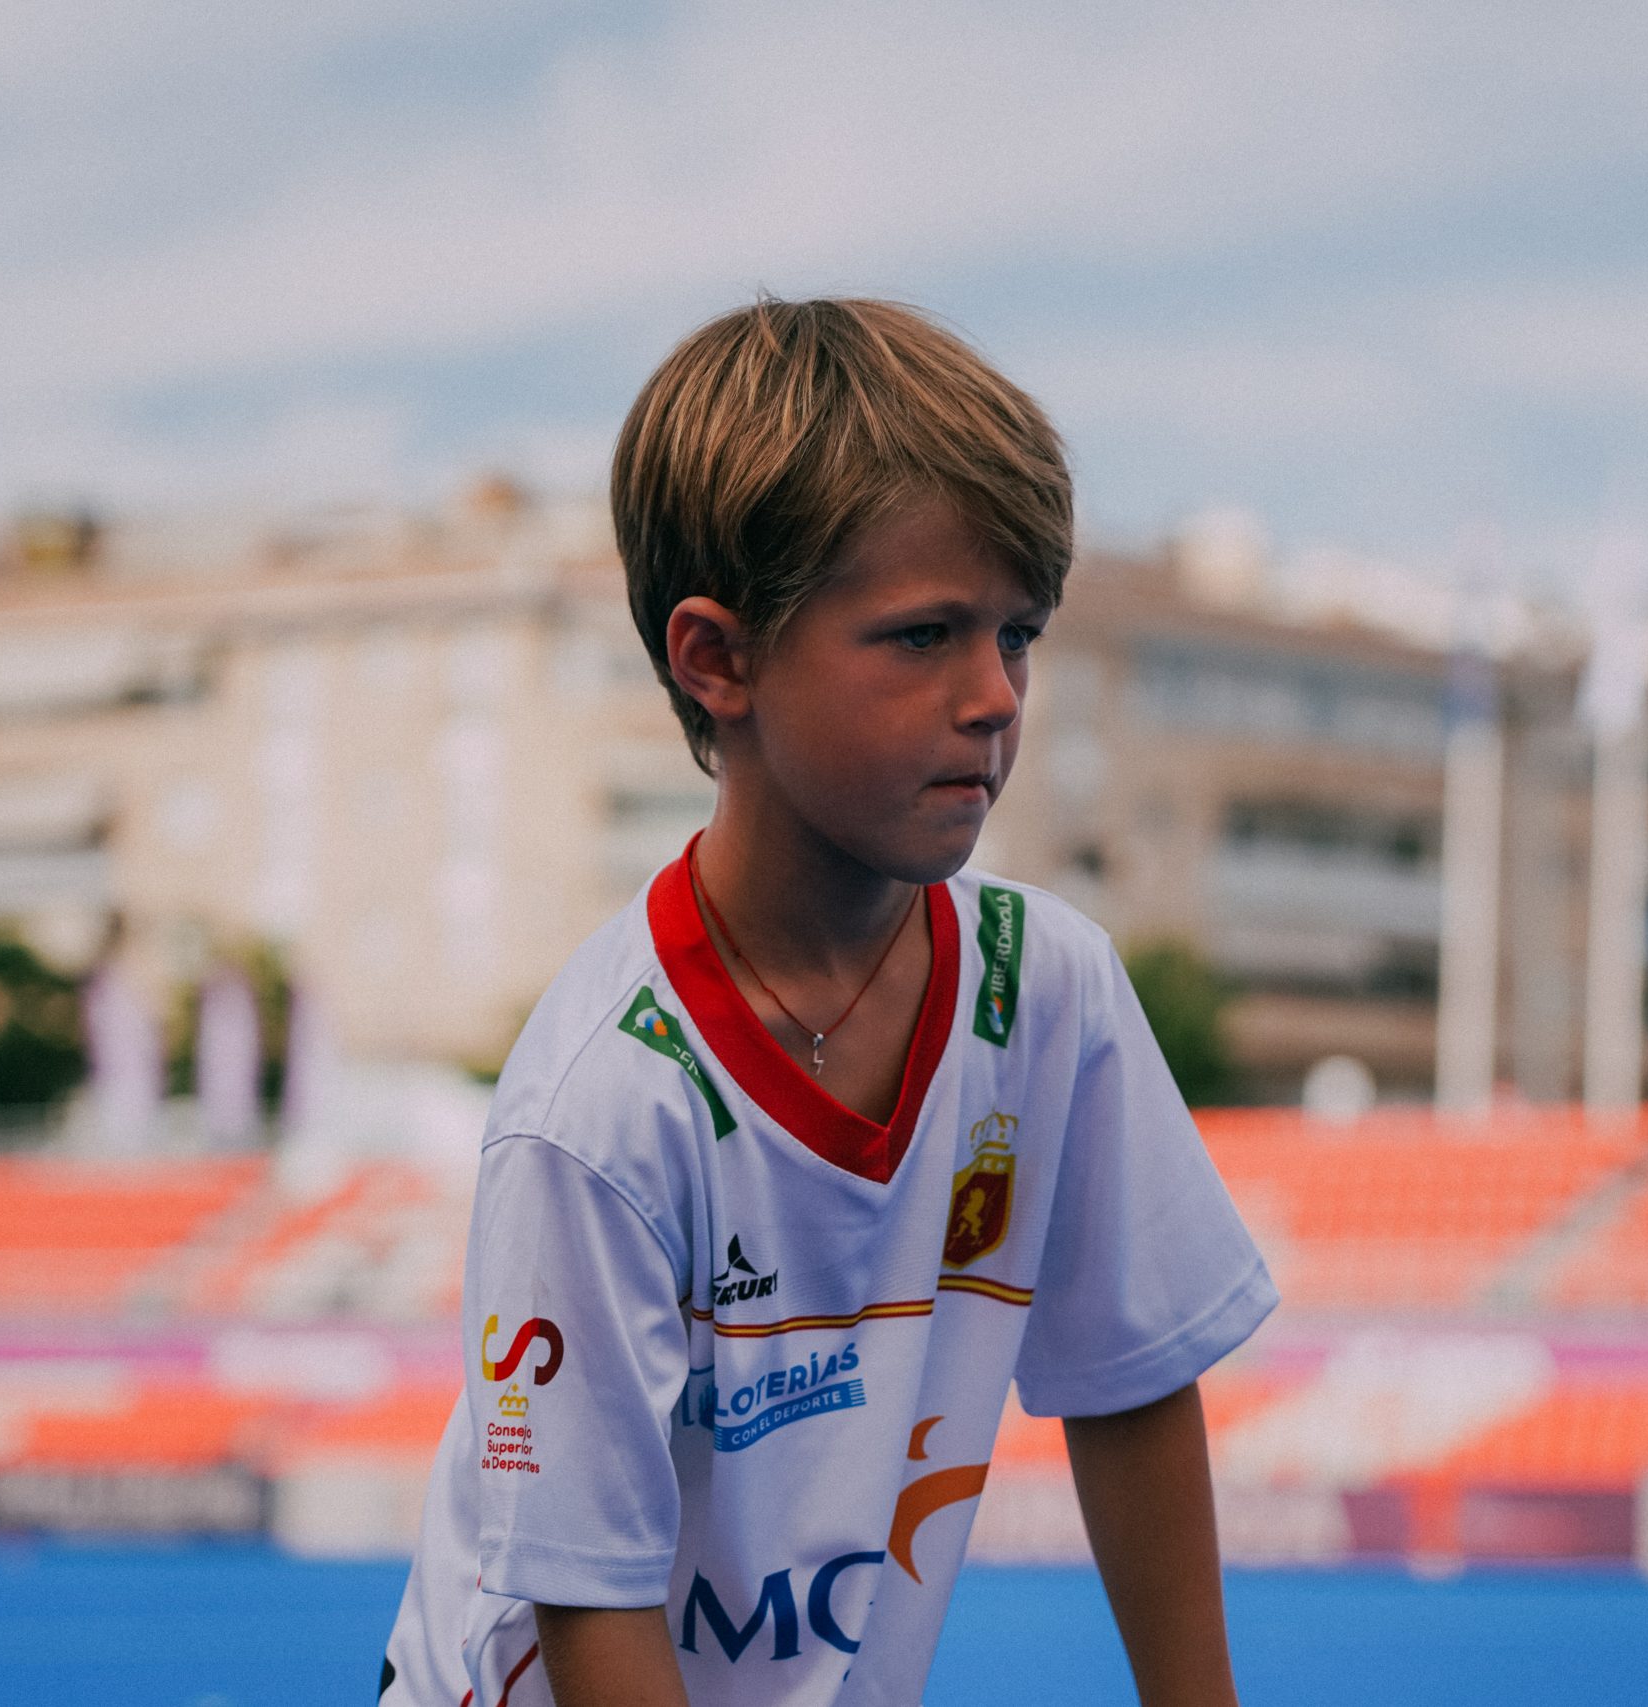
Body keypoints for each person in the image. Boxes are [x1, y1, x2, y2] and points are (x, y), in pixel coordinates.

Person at [380, 298, 1275, 1707]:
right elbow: (589, 1605)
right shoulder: (601, 1102)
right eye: (922, 637)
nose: (995, 697)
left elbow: (1132, 1384)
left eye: (1018, 634)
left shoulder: (1052, 991)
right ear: (717, 661)